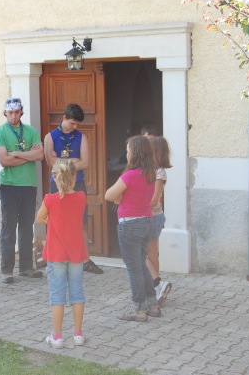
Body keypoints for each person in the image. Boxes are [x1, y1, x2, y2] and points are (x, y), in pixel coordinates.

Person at [105, 135, 161, 322]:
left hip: (130, 224)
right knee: (141, 264)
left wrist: (119, 197)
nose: (127, 154)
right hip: (146, 221)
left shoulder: (129, 175)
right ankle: (152, 304)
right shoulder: (150, 173)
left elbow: (109, 195)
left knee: (134, 268)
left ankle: (138, 309)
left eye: (128, 150)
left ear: (135, 153)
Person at [43, 103, 104, 275]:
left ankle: (85, 260)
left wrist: (62, 162)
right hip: (57, 184)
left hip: (77, 184)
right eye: (72, 123)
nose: (75, 127)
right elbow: (50, 162)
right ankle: (55, 259)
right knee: (55, 221)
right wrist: (73, 160)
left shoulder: (81, 137)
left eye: (77, 124)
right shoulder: (50, 137)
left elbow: (85, 163)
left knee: (81, 222)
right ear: (64, 118)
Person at [36, 159, 88, 349]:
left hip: (56, 253)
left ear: (54, 178)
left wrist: (52, 220)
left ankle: (57, 336)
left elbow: (39, 217)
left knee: (57, 297)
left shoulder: (49, 200)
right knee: (77, 294)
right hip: (76, 253)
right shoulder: (81, 197)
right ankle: (78, 334)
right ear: (74, 177)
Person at [0, 97, 44, 283]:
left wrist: (15, 153)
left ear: (21, 111)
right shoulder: (0, 132)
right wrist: (28, 155)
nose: (14, 116)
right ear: (5, 113)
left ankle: (26, 267)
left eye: (16, 112)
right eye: (10, 112)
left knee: (26, 227)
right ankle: (7, 270)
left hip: (29, 185)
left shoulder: (31, 131)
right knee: (9, 227)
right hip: (10, 186)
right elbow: (3, 160)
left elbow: (40, 154)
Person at [147, 136, 172, 307]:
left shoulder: (158, 172)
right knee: (151, 253)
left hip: (152, 216)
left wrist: (139, 209)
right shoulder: (154, 170)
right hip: (153, 216)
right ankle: (156, 287)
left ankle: (157, 285)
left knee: (146, 253)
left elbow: (154, 198)